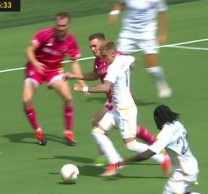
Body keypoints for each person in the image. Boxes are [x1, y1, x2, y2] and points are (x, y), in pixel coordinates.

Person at [65, 33, 170, 174]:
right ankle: (114, 161)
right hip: (114, 104)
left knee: (131, 144)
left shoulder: (113, 64)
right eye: (90, 47)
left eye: (95, 46)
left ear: (109, 51)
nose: (93, 50)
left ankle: (160, 156)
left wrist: (83, 88)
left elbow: (105, 86)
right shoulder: (116, 58)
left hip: (124, 106)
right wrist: (74, 76)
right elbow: (131, 61)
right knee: (97, 130)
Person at [23, 12, 86, 146]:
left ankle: (68, 132)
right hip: (36, 68)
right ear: (55, 25)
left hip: (54, 70)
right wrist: (35, 63)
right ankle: (38, 131)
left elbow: (74, 62)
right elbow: (29, 50)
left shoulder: (71, 41)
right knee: (26, 99)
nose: (61, 28)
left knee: (68, 98)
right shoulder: (44, 34)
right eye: (58, 25)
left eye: (64, 25)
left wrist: (81, 82)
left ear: (68, 25)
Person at [109, 0, 172, 98]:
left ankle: (161, 83)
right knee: (120, 65)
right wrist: (114, 13)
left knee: (151, 68)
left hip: (147, 34)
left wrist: (163, 33)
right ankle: (127, 93)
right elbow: (119, 4)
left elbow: (162, 14)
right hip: (128, 33)